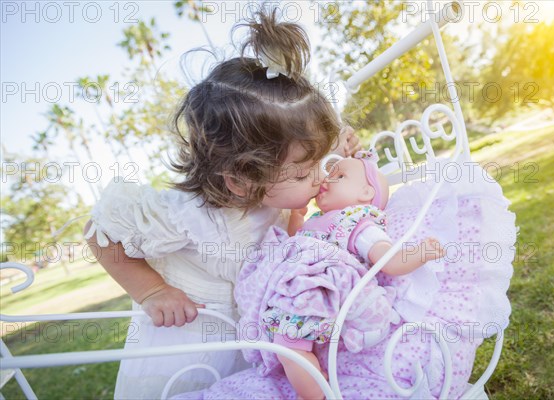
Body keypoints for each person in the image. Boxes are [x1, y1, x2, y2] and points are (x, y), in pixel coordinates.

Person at [83, 9, 360, 399]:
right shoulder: (185, 213)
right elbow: (101, 231)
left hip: (244, 335)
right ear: (240, 181)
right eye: (303, 174)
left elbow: (297, 171)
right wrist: (152, 292)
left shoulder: (273, 182)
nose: (317, 177)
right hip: (183, 345)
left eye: (316, 165)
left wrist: (338, 151)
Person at [250, 153, 445, 400]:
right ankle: (315, 385)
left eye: (340, 176)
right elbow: (297, 240)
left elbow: (388, 261)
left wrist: (420, 253)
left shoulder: (356, 222)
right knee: (286, 345)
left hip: (321, 288)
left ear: (365, 193)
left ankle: (316, 395)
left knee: (289, 345)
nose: (328, 180)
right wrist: (298, 219)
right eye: (330, 174)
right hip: (301, 286)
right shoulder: (318, 220)